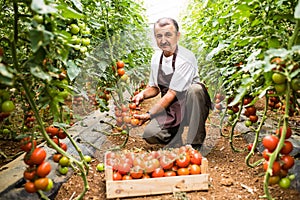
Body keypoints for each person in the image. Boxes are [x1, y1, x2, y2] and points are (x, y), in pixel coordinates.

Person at [132, 17, 212, 150]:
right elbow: (154, 88)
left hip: (189, 107)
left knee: (195, 90)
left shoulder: (186, 58)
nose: (163, 40)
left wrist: (149, 114)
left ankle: (195, 144)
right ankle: (175, 139)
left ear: (177, 36)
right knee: (150, 134)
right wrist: (142, 95)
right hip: (171, 109)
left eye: (168, 35)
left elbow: (170, 94)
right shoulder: (156, 58)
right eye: (159, 36)